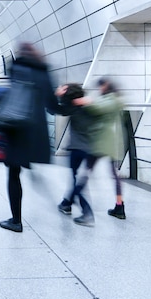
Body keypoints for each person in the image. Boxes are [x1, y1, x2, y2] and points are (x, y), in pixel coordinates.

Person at [0, 42, 62, 233]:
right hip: (36, 132)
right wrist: (71, 106)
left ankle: (16, 220)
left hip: (16, 129)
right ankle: (34, 174)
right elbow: (52, 106)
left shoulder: (15, 68)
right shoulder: (44, 71)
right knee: (25, 165)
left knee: (13, 174)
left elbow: (12, 99)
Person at [74, 77, 126, 219]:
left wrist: (86, 102)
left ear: (106, 85)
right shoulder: (112, 99)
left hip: (102, 141)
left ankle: (73, 198)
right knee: (113, 174)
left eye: (101, 86)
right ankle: (119, 206)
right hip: (108, 141)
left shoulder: (112, 100)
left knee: (86, 171)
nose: (100, 89)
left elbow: (98, 108)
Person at [55, 83, 97, 226]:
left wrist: (58, 95)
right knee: (79, 179)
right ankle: (66, 203)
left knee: (76, 181)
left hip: (77, 148)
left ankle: (87, 213)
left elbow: (54, 109)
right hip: (92, 149)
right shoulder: (90, 106)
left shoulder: (72, 108)